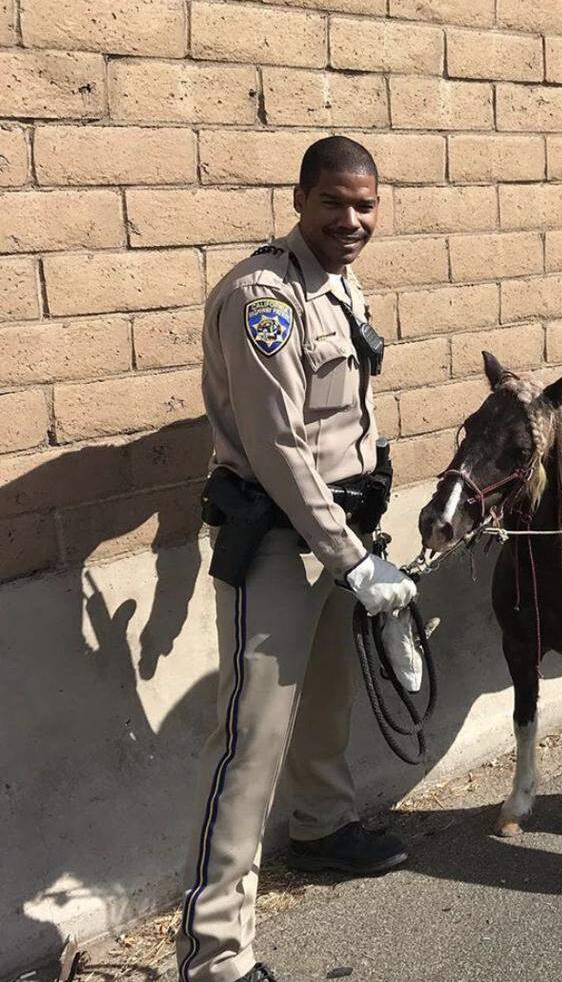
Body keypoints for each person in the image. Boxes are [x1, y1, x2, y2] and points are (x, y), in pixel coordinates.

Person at [177, 136, 419, 982]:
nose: (351, 220)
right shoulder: (263, 296)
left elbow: (346, 409)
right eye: (335, 203)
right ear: (299, 198)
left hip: (339, 537)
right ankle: (214, 952)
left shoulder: (338, 284)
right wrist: (352, 559)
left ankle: (319, 828)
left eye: (365, 205)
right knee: (250, 738)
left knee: (327, 699)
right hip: (282, 542)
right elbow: (279, 449)